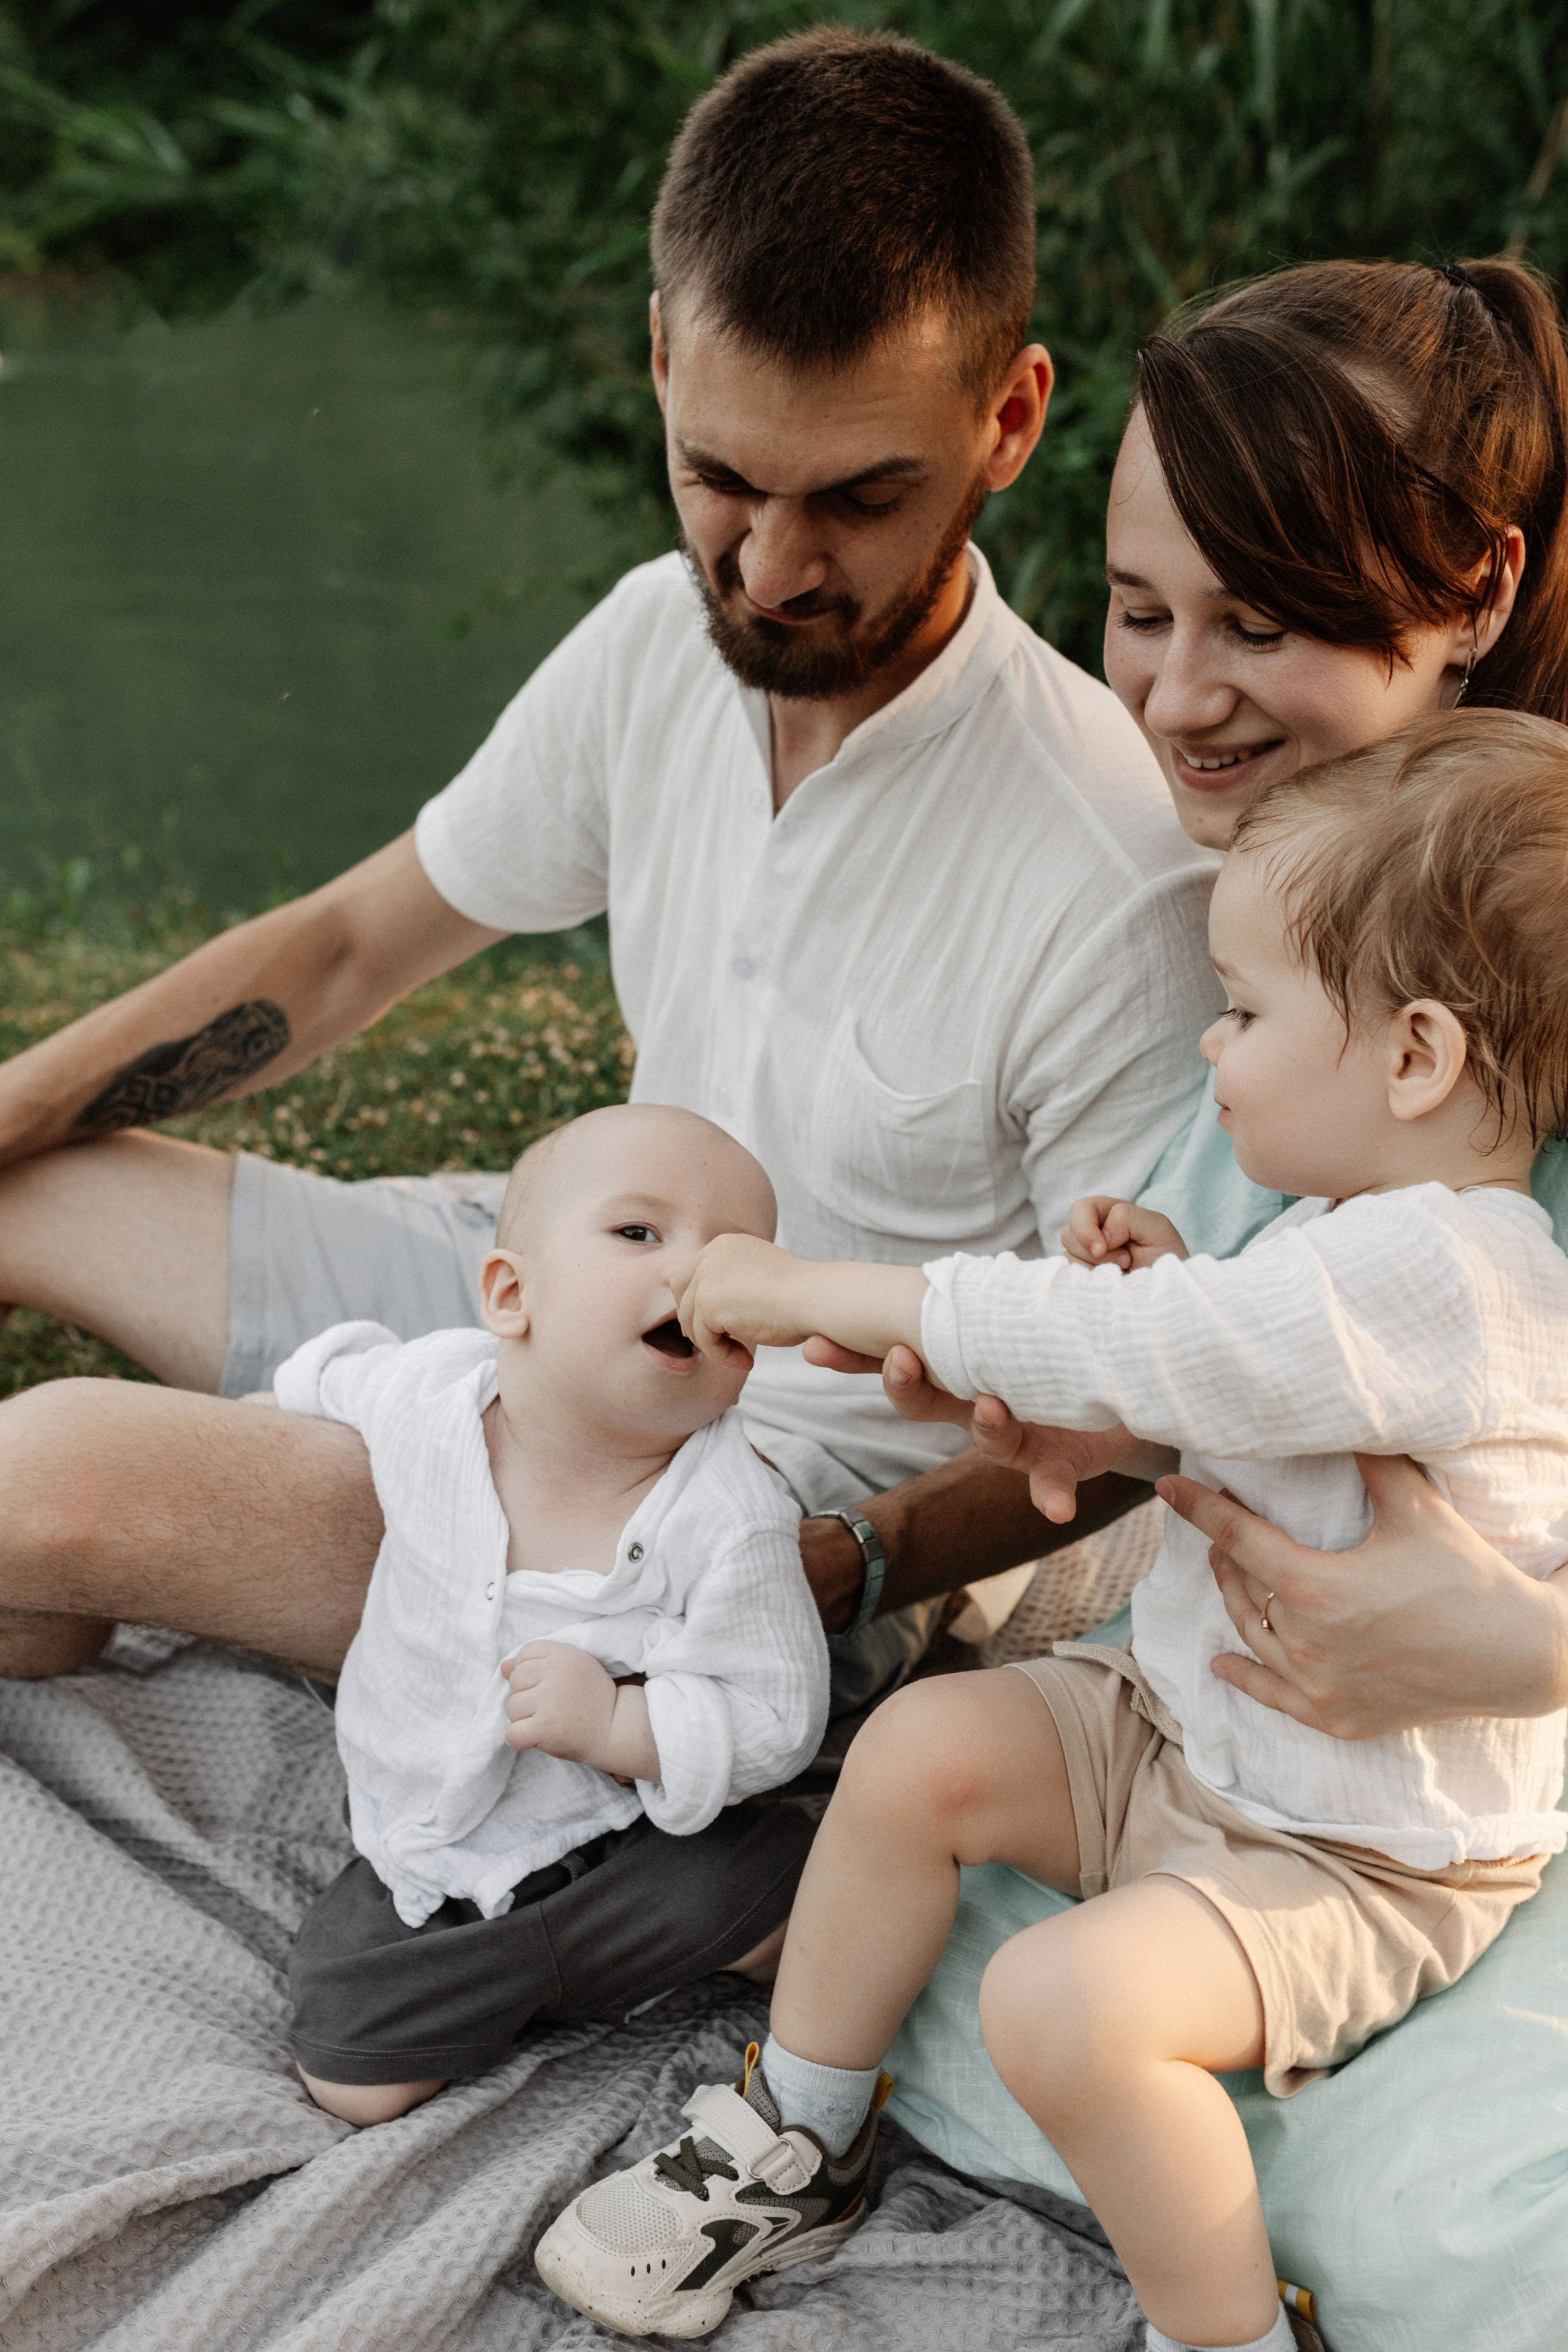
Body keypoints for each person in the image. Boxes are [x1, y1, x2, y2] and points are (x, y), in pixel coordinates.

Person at [0, 28, 1213, 1691]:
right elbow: (356, 946)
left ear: (1009, 419)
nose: (774, 571)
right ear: (657, 359)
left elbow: (1136, 1401)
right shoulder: (663, 637)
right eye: (722, 478)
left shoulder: (1116, 866)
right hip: (532, 1277)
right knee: (31, 1182)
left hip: (737, 1498)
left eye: (860, 498)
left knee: (47, 1477)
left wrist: (842, 1573)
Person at [535, 710, 1568, 2349]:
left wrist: (804, 1287)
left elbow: (1173, 1363)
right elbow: (1229, 1366)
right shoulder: (1348, 1240)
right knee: (922, 1754)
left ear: (1417, 1058)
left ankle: (1218, 2335)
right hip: (1183, 1730)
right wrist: (1169, 1284)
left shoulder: (1458, 1269)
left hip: (1354, 1856)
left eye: (1244, 1013)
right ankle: (798, 2130)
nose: (1212, 1052)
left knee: (1061, 2007)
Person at [274, 1104, 827, 2127]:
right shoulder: (431, 1401)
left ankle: (739, 1921)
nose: (696, 1274)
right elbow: (329, 1377)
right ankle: (584, 1973)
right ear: (510, 1293)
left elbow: (775, 1713)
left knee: (767, 1884)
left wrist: (618, 1727)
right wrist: (270, 1410)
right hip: (431, 1852)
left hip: (618, 1844)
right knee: (352, 2078)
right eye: (638, 1234)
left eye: (737, 1257)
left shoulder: (729, 1514)